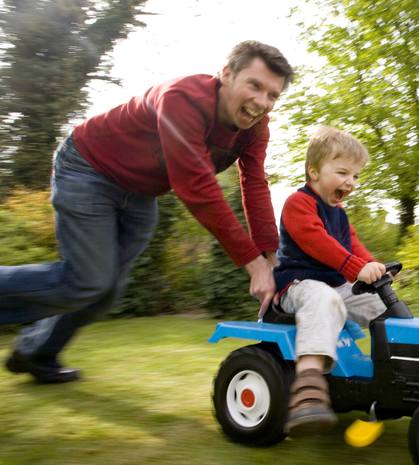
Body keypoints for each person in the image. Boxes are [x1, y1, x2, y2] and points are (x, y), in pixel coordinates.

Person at [0, 41, 293, 383]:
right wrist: (253, 264)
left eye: (272, 95)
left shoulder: (256, 128)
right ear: (226, 74)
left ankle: (35, 352)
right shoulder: (183, 97)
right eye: (254, 86)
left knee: (105, 292)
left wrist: (271, 257)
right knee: (87, 280)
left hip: (139, 195)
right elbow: (195, 186)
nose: (262, 102)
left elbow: (254, 183)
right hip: (88, 169)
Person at [271, 126, 387, 437]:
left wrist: (375, 269)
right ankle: (309, 389)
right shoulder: (299, 203)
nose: (350, 182)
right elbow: (317, 241)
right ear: (314, 172)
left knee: (380, 303)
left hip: (334, 285)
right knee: (324, 299)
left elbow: (353, 246)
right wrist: (354, 267)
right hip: (298, 285)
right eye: (342, 172)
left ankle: (391, 371)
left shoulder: (340, 213)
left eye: (356, 176)